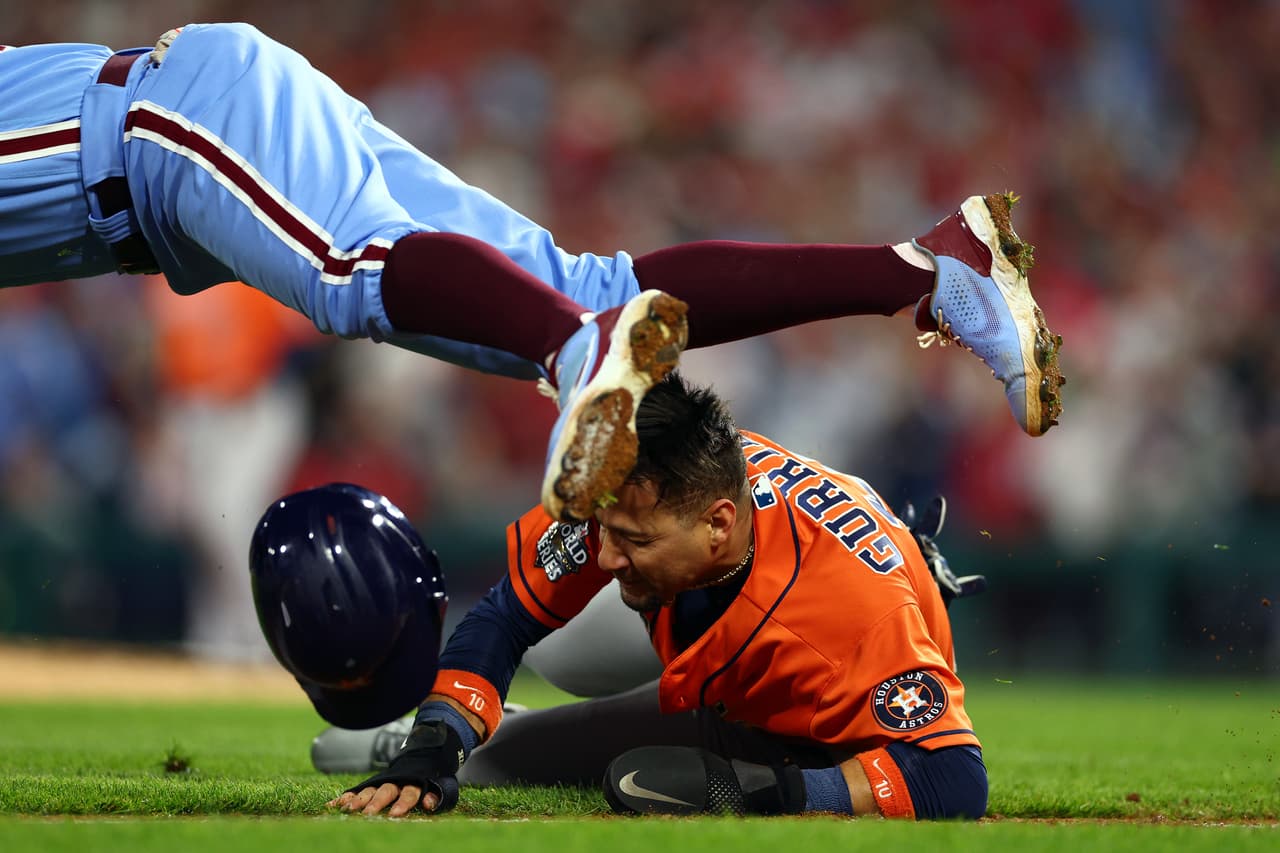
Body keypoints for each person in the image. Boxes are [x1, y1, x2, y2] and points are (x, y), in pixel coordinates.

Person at [1, 24, 1064, 524]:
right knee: (587, 289)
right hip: (185, 133)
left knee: (351, 271)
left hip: (158, 129)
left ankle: (574, 354)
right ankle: (934, 270)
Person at [320, 372, 987, 820]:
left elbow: (953, 775)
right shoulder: (649, 484)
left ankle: (509, 732)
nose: (607, 555)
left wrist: (764, 790)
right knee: (557, 648)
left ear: (719, 524)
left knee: (530, 763)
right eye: (606, 530)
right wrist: (436, 741)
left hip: (810, 708)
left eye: (632, 538)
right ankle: (467, 727)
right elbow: (506, 614)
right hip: (723, 631)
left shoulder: (852, 620)